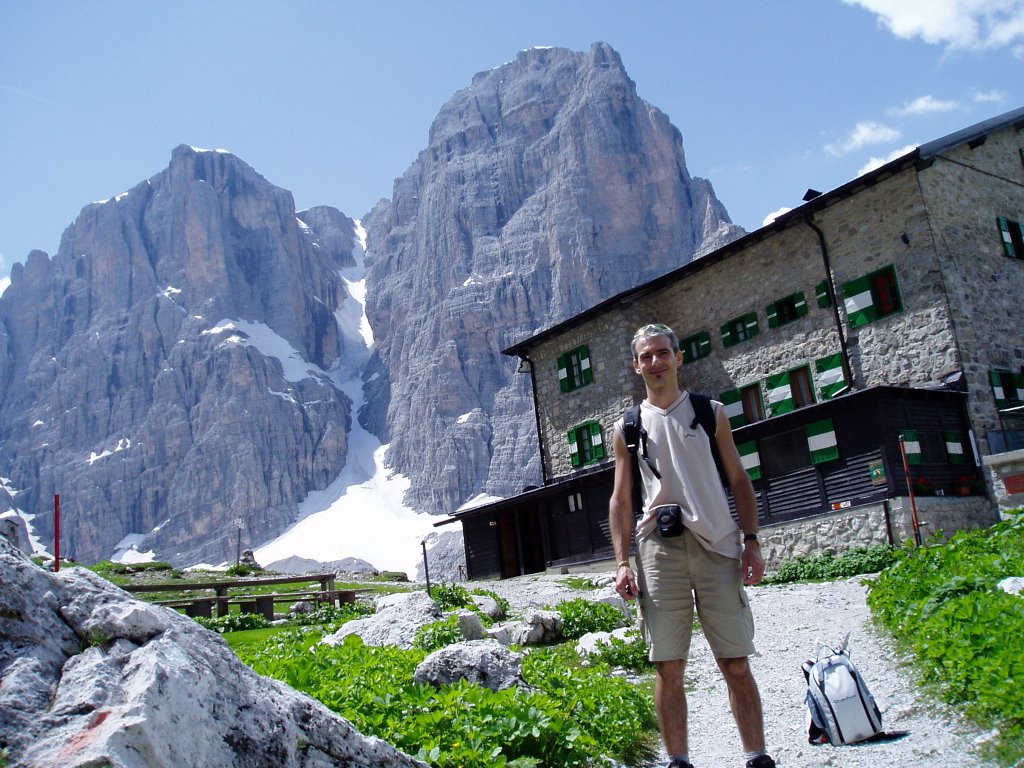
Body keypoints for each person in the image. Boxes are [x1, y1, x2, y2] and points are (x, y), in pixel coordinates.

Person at [608, 323, 775, 768]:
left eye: (663, 353)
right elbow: (620, 499)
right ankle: (679, 761)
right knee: (668, 664)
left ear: (678, 358)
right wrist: (622, 563)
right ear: (636, 365)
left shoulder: (709, 412)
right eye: (646, 356)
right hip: (657, 552)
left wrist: (752, 542)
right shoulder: (626, 427)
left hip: (718, 544)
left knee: (735, 660)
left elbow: (739, 480)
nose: (655, 363)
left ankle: (757, 756)